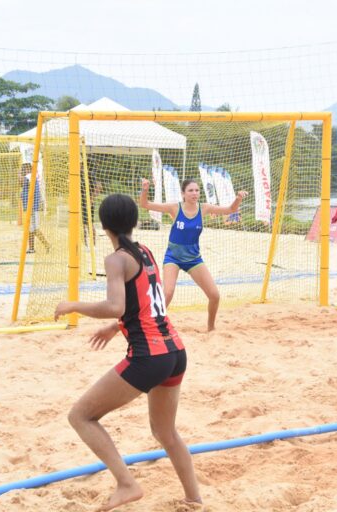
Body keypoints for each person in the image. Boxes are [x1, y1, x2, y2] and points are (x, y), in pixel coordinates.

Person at [54, 193, 202, 510]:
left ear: (103, 225)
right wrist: (117, 327)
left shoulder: (117, 258)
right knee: (166, 433)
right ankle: (194, 499)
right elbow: (150, 305)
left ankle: (127, 483)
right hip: (175, 352)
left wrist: (73, 306)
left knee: (80, 416)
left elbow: (115, 305)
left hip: (149, 358)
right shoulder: (145, 252)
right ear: (133, 222)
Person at [140, 177, 248, 332]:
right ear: (183, 193)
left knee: (214, 295)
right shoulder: (175, 208)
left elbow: (230, 210)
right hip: (173, 257)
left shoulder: (204, 208)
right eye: (190, 190)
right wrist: (145, 189)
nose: (194, 193)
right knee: (168, 292)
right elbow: (145, 204)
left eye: (197, 190)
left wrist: (238, 199)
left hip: (194, 258)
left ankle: (211, 328)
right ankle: (153, 325)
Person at [21, 163, 50, 254]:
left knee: (35, 229)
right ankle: (31, 248)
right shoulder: (31, 176)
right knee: (30, 229)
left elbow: (21, 182)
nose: (22, 171)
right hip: (30, 207)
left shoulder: (29, 176)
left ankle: (47, 245)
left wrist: (18, 174)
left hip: (32, 207)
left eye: (23, 169)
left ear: (27, 169)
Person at [81, 164, 104, 246]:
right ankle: (85, 244)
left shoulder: (90, 174)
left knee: (89, 224)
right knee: (82, 224)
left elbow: (99, 186)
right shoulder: (79, 173)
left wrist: (91, 199)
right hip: (80, 202)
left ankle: (93, 245)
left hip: (88, 203)